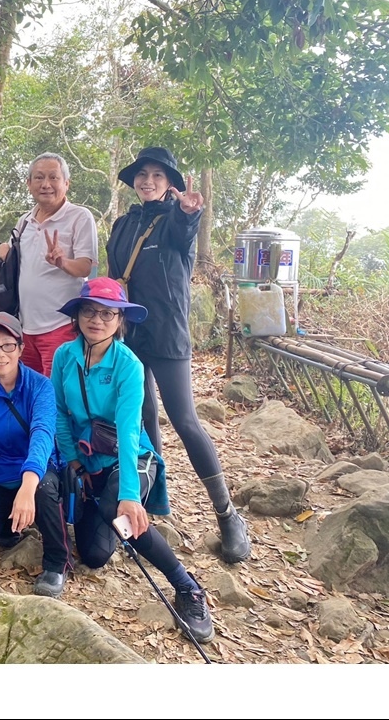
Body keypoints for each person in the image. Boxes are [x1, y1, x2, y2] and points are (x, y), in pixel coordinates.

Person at [51, 277, 215, 643]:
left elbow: (128, 430)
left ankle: (187, 587)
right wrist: (74, 461)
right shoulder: (64, 357)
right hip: (89, 461)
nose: (98, 320)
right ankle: (123, 526)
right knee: (93, 556)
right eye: (90, 311)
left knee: (119, 507)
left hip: (134, 458)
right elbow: (61, 414)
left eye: (108, 313)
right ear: (77, 315)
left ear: (120, 320)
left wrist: (127, 494)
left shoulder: (129, 365)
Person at [107, 147, 251, 563]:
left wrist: (189, 212)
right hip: (130, 333)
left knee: (185, 420)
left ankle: (227, 515)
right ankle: (149, 508)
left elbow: (183, 231)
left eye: (157, 175)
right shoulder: (123, 224)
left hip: (168, 333)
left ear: (171, 183)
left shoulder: (175, 218)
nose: (148, 180)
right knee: (140, 416)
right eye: (142, 174)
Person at [0, 313, 71, 598]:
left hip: (36, 472)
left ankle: (57, 562)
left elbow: (43, 434)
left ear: (20, 348)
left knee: (43, 489)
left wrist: (27, 486)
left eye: (7, 345)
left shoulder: (40, 386)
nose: (0, 354)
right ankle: (13, 524)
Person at [0, 152, 98, 377]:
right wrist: (2, 252)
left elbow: (85, 267)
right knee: (31, 393)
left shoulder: (80, 217)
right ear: (29, 184)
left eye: (53, 177)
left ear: (66, 183)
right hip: (24, 327)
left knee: (57, 397)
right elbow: (15, 263)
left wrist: (62, 262)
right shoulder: (24, 222)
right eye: (39, 178)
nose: (46, 184)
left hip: (62, 326)